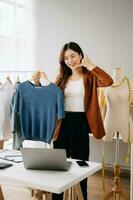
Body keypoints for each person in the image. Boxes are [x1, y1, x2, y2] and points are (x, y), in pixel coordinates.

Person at [34, 42, 113, 200]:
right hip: (63, 124)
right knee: (59, 167)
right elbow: (49, 97)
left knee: (80, 167)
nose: (70, 60)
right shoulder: (62, 78)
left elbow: (108, 81)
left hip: (81, 123)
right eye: (66, 58)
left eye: (73, 56)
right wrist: (38, 82)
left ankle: (81, 197)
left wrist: (91, 65)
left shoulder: (90, 77)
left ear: (80, 56)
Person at [103, 67, 133, 142]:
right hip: (109, 121)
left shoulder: (130, 84)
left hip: (125, 122)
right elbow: (102, 106)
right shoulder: (105, 83)